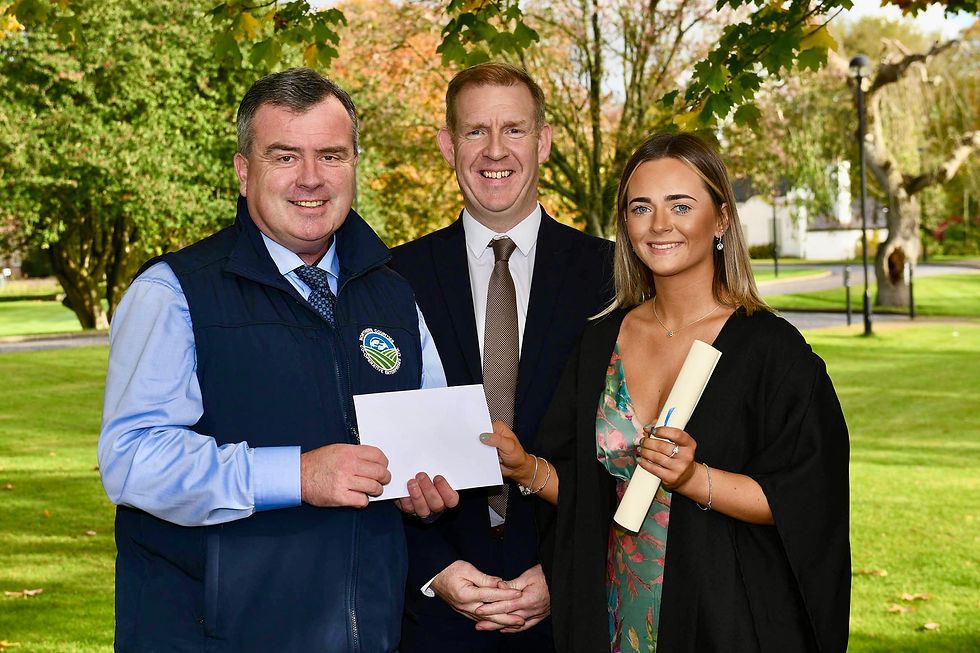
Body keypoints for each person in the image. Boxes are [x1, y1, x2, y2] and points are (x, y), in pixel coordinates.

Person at [98, 67, 457, 652]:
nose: (311, 178)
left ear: (354, 165)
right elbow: (133, 459)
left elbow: (429, 442)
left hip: (365, 634)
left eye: (331, 156)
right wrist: (298, 475)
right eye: (285, 156)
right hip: (211, 638)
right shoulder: (173, 292)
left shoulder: (394, 296)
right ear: (245, 171)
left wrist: (428, 494)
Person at [483, 133, 850, 652]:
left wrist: (694, 478)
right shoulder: (599, 342)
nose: (659, 224)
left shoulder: (773, 351)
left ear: (721, 218)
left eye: (681, 205)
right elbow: (592, 496)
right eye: (641, 207)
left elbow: (806, 497)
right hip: (615, 617)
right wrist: (526, 469)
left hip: (723, 620)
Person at [388, 62, 614, 652]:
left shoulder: (613, 277)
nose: (495, 150)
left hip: (574, 611)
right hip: (434, 612)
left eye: (514, 129)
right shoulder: (392, 280)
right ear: (448, 146)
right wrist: (434, 569)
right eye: (475, 131)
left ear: (543, 141)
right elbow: (365, 440)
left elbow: (635, 450)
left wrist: (568, 567)